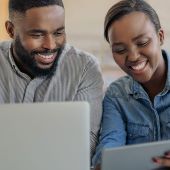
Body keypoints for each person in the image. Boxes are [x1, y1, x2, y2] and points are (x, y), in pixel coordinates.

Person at [0, 0, 104, 160]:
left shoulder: (84, 67)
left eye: (58, 33)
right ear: (11, 30)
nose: (50, 45)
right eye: (37, 34)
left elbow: (85, 144)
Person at [92, 0, 170, 169]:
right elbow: (109, 147)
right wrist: (103, 164)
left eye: (142, 43)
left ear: (161, 36)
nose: (133, 57)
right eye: (120, 50)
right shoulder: (116, 95)